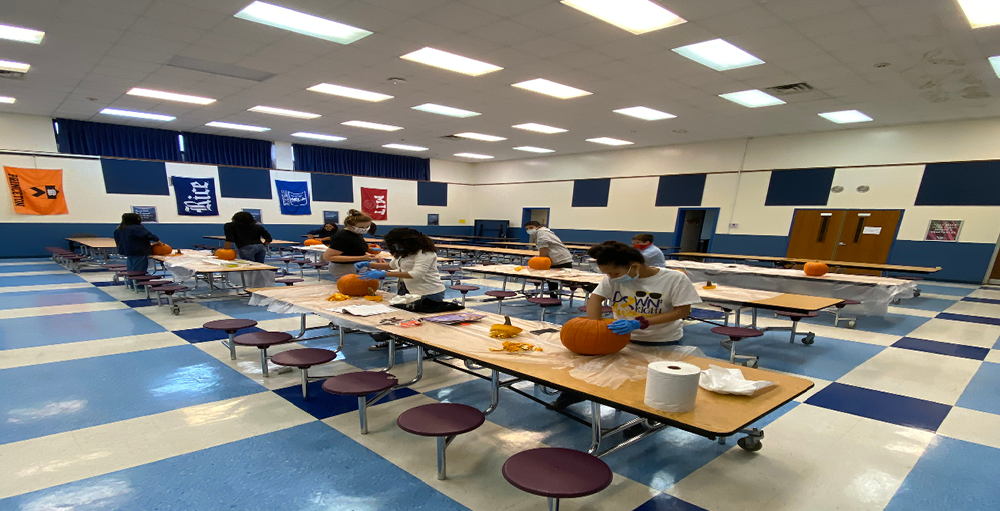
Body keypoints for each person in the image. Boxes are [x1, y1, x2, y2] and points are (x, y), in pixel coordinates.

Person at [551, 241, 701, 411]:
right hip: (621, 339)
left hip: (661, 341)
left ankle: (645, 418)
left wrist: (641, 322)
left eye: (614, 273)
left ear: (635, 266)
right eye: (607, 274)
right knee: (593, 372)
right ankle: (572, 395)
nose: (611, 278)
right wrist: (593, 325)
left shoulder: (674, 279)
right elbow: (596, 298)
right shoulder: (613, 278)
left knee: (649, 386)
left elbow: (682, 311)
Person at [356, 228, 446, 301]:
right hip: (409, 290)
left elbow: (417, 274)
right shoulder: (404, 252)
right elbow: (391, 265)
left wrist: (384, 273)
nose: (396, 247)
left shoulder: (425, 253)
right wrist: (368, 264)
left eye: (397, 244)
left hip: (429, 292)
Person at [323, 209, 381, 280]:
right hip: (343, 268)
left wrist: (371, 256)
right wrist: (362, 258)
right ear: (350, 225)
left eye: (367, 227)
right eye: (361, 227)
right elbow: (328, 257)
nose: (364, 229)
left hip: (357, 265)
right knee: (351, 287)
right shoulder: (342, 236)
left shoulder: (357, 234)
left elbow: (355, 249)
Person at [524, 220, 574, 298]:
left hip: (560, 259)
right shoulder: (543, 232)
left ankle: (589, 288)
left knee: (570, 280)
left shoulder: (542, 233)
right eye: (527, 229)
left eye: (531, 228)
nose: (529, 230)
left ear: (538, 227)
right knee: (552, 281)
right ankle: (554, 299)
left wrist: (540, 259)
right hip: (556, 259)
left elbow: (544, 247)